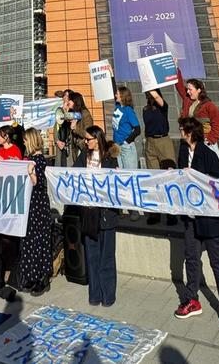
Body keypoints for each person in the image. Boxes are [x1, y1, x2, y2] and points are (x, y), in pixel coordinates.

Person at [174, 117, 219, 332]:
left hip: (210, 220)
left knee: (216, 262)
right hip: (191, 218)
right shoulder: (183, 151)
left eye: (182, 129)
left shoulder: (208, 154)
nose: (180, 132)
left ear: (190, 132)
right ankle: (192, 299)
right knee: (191, 258)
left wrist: (198, 176)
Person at [74, 125, 119, 306]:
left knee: (106, 256)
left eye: (88, 139)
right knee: (92, 255)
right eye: (85, 139)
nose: (86, 142)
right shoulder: (82, 156)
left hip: (107, 214)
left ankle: (108, 295)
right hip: (89, 213)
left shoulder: (110, 159)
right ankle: (95, 295)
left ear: (97, 139)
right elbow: (70, 174)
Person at [18, 128, 53, 296]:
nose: (23, 143)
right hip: (30, 206)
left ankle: (42, 277)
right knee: (29, 240)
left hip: (38, 206)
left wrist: (31, 171)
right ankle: (31, 275)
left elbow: (38, 183)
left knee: (39, 240)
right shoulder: (29, 159)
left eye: (25, 140)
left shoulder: (39, 160)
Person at [175, 66, 219, 161]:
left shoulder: (209, 105)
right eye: (187, 89)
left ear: (199, 90)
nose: (187, 92)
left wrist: (210, 140)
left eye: (190, 89)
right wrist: (176, 69)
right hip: (190, 141)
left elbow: (217, 125)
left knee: (209, 169)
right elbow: (179, 85)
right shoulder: (187, 99)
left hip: (205, 142)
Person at [143, 89, 174, 169]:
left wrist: (149, 85)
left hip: (163, 140)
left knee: (168, 169)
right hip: (150, 141)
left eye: (149, 92)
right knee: (153, 171)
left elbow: (156, 97)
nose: (147, 94)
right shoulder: (145, 109)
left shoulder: (162, 107)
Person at [112, 86, 141, 169]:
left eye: (117, 94)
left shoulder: (128, 110)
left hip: (126, 147)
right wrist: (111, 75)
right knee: (121, 174)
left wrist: (126, 141)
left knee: (129, 173)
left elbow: (137, 129)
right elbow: (113, 88)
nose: (115, 95)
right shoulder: (118, 107)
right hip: (117, 146)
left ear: (122, 96)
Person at [68, 92, 94, 163]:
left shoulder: (85, 114)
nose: (68, 102)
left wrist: (75, 128)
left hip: (83, 147)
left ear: (75, 101)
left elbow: (88, 134)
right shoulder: (72, 113)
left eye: (70, 100)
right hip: (75, 148)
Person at [54, 89, 74, 167]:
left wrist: (65, 111)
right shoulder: (60, 111)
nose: (65, 97)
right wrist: (56, 141)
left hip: (69, 143)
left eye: (67, 96)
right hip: (60, 142)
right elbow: (56, 127)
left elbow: (69, 121)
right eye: (64, 95)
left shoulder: (73, 111)